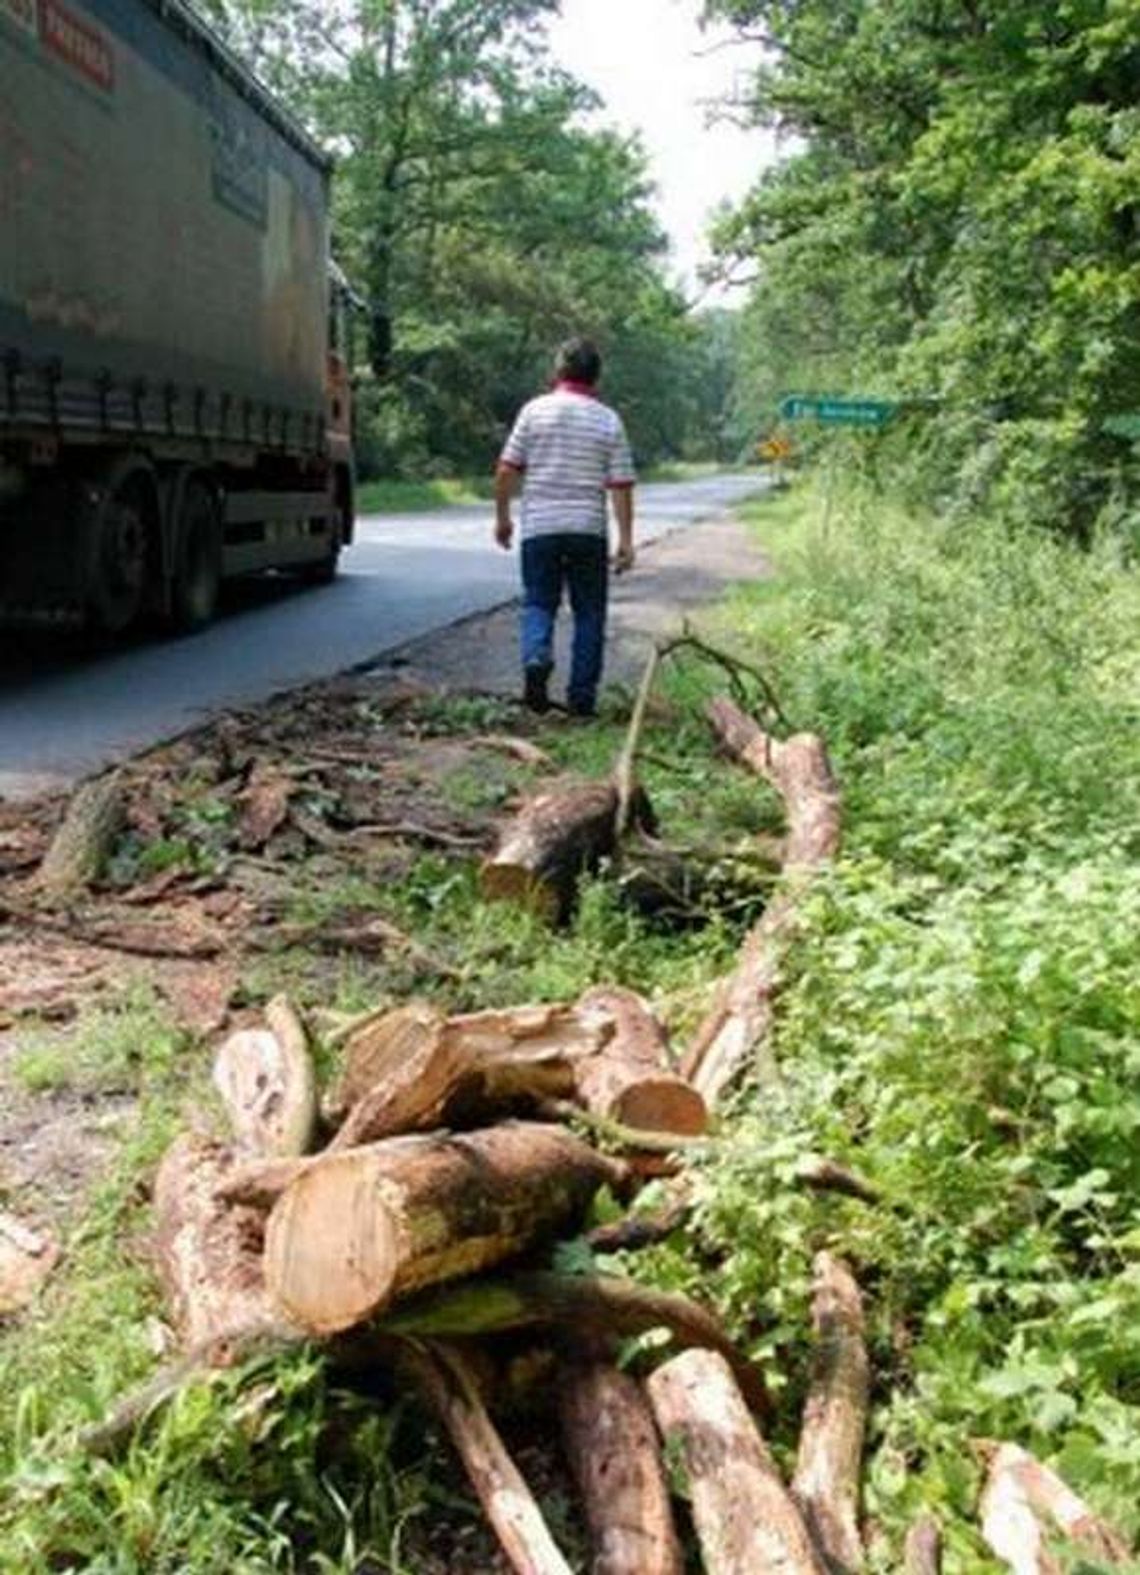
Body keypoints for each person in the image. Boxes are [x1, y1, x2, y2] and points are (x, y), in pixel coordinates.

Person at [494, 337, 636, 717]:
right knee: (589, 613)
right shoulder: (608, 419)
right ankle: (581, 701)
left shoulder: (534, 412)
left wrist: (503, 518)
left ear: (558, 371)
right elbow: (621, 486)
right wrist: (626, 541)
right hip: (588, 530)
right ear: (596, 376)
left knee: (539, 602)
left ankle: (537, 656)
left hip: (540, 528)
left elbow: (507, 468)